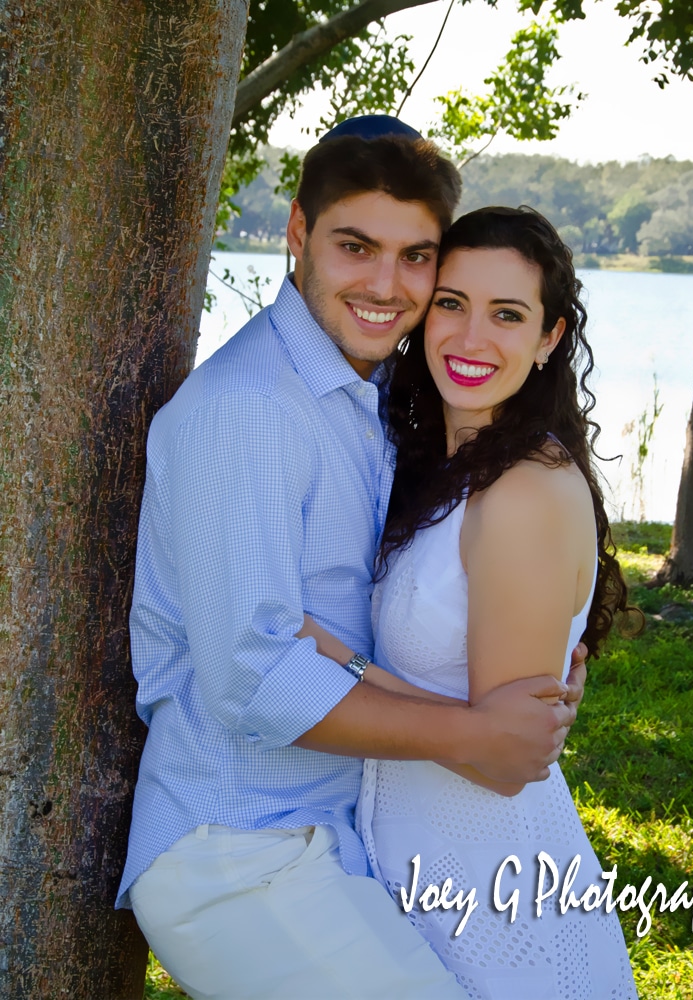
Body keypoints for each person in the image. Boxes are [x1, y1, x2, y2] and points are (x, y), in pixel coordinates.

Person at [117, 117, 587, 999]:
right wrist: (481, 734)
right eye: (355, 246)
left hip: (332, 838)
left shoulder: (360, 397)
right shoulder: (251, 408)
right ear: (298, 233)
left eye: (416, 258)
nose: (385, 284)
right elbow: (253, 679)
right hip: (239, 849)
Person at [302, 206, 639, 998]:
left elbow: (502, 760)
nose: (470, 336)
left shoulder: (525, 491)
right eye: (452, 303)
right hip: (417, 879)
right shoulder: (442, 465)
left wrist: (331, 658)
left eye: (507, 314)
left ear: (550, 337)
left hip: (497, 900)